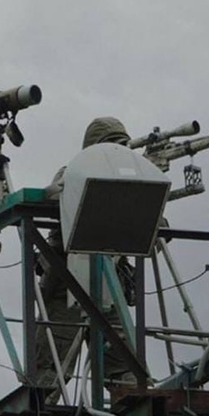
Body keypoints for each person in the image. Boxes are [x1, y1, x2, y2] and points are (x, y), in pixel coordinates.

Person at [35, 116, 137, 390]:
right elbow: (52, 195)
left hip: (107, 284)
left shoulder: (132, 177)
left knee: (124, 369)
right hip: (67, 282)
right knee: (50, 371)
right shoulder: (73, 171)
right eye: (112, 144)